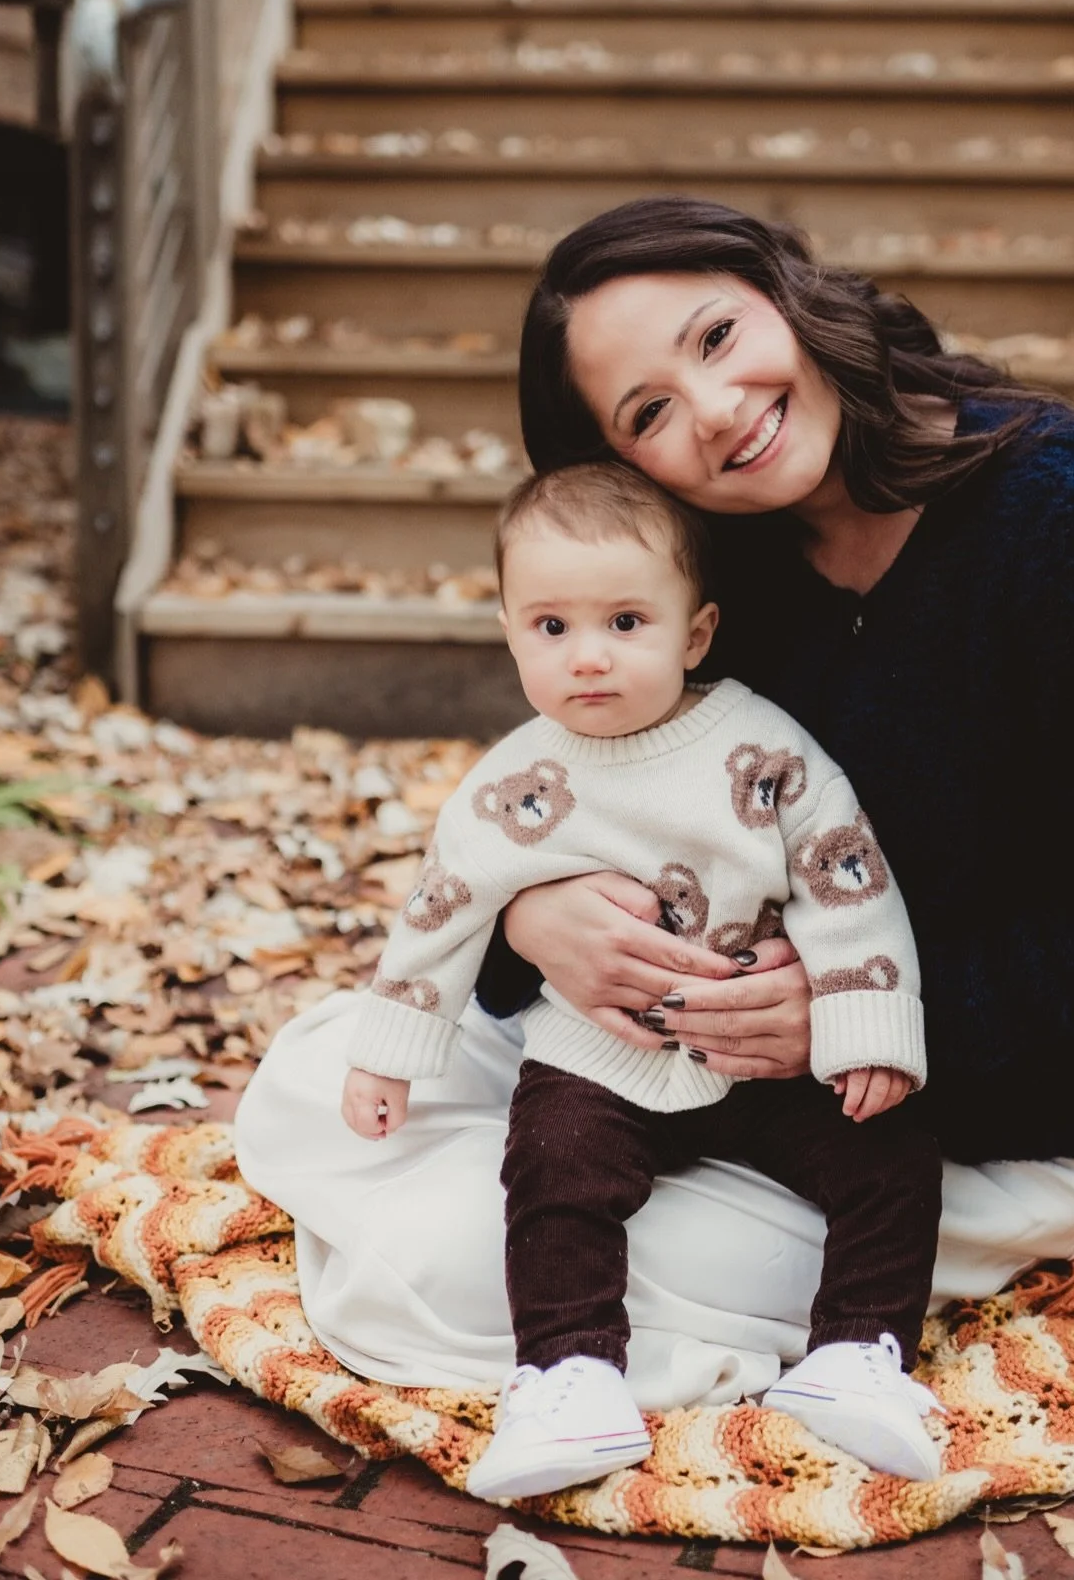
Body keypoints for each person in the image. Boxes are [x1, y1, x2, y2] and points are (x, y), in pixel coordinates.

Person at [235, 195, 1074, 1436]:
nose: (717, 410)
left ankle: (748, 1359)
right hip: (687, 1057)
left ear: (790, 292)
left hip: (969, 1120)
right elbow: (593, 774)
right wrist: (533, 920)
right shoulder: (728, 562)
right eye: (649, 414)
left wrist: (860, 1008)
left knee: (440, 1273)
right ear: (627, 473)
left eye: (717, 337)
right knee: (315, 1074)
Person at [341, 462, 944, 1499]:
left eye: (626, 622)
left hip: (763, 1056)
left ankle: (857, 1355)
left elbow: (846, 879)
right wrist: (390, 1055)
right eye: (552, 628)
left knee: (891, 1152)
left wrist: (868, 1027)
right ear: (510, 631)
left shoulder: (763, 752)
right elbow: (440, 918)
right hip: (599, 1055)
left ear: (695, 634)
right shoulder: (510, 785)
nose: (589, 658)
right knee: (553, 1168)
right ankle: (570, 1373)